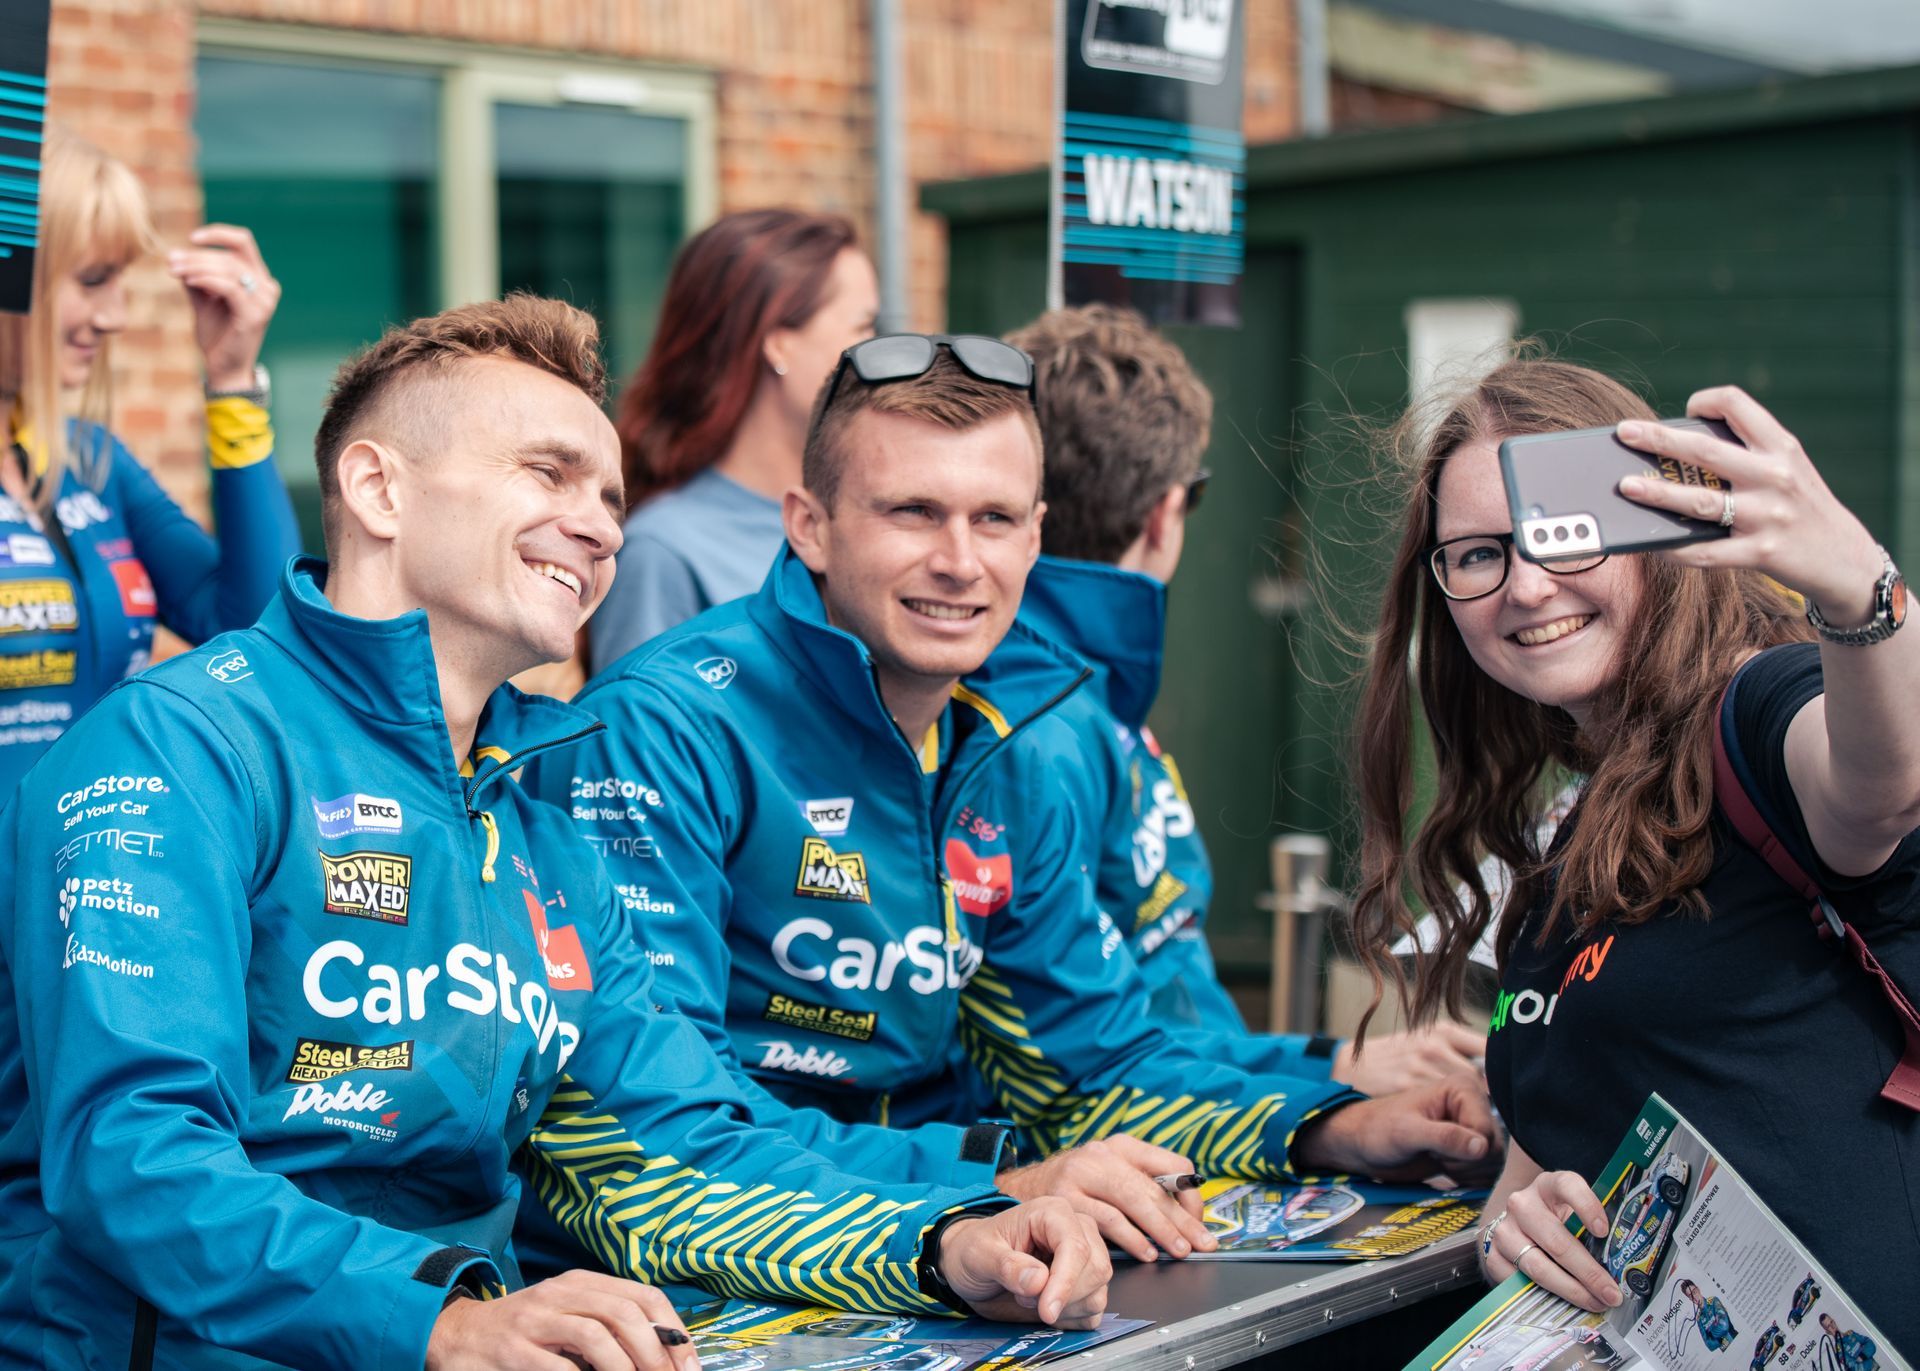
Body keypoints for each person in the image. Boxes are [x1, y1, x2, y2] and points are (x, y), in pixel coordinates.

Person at [0, 298, 1108, 1370]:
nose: (599, 524)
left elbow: (677, 1142)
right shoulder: (175, 745)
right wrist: (448, 1323)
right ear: (377, 488)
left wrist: (943, 1236)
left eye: (611, 497)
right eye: (548, 473)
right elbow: (132, 1159)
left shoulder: (538, 804)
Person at [527, 332, 1501, 1271]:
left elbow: (1088, 1074)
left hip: (930, 1238)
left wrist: (1331, 1124)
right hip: (674, 1286)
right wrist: (990, 1187)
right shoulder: (657, 731)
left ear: (1036, 536)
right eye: (912, 512)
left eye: (993, 519)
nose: (959, 561)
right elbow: (649, 1143)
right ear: (809, 525)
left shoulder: (1013, 736)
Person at [1346, 358, 1920, 1351]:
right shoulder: (1567, 842)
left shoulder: (1759, 709)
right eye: (1477, 555)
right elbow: (1533, 1180)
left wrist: (1857, 586)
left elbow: (1883, 786)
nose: (1525, 586)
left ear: (1655, 534)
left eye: (1560, 535)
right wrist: (1515, 1233)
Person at [1005, 304, 1485, 1092]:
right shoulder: (1043, 731)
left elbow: (1156, 1019)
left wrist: (1325, 1063)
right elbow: (1086, 1059)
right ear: (1165, 513)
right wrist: (1325, 1097)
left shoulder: (1081, 698)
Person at [0, 127, 298, 791]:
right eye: (93, 280)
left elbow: (260, 631)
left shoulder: (91, 463)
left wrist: (232, 382)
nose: (114, 317)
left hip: (93, 882)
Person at [590, 208, 878, 669]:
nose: (876, 353)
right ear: (778, 342)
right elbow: (634, 735)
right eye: (863, 328)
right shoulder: (664, 553)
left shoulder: (865, 517)